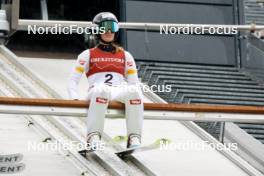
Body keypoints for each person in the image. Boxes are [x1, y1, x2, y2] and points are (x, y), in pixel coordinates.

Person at [68, 12, 143, 149]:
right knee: (101, 89)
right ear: (97, 30)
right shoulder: (87, 54)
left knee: (134, 91)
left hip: (116, 92)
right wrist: (74, 99)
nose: (108, 31)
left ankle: (134, 138)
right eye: (104, 28)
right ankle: (93, 136)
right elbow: (73, 81)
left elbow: (134, 83)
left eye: (112, 27)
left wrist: (136, 100)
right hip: (96, 91)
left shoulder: (126, 55)